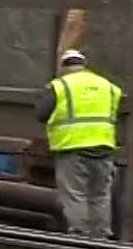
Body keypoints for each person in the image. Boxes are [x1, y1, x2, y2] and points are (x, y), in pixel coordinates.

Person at [34, 50, 122, 239]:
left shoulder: (59, 86)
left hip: (72, 146)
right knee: (100, 193)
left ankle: (79, 235)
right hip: (104, 145)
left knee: (75, 193)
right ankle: (102, 235)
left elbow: (41, 114)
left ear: (64, 67)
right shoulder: (108, 86)